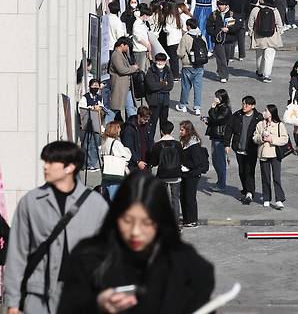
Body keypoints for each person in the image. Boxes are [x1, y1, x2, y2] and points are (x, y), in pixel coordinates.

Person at [56, 171, 214, 314]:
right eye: (127, 220)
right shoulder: (88, 258)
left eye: (147, 222)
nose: (135, 232)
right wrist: (97, 304)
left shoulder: (188, 266)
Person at [4, 141, 108, 314]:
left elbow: (107, 255)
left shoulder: (95, 205)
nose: (45, 167)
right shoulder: (31, 202)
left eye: (51, 162)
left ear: (69, 167)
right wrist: (12, 301)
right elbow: (17, 254)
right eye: (45, 161)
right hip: (38, 296)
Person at [224, 96, 264, 205]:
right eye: (243, 104)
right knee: (241, 171)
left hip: (251, 150)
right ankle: (246, 189)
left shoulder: (258, 117)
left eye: (247, 104)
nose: (244, 106)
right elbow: (229, 129)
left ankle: (250, 193)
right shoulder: (237, 115)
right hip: (239, 148)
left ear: (253, 106)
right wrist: (227, 144)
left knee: (249, 171)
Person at [253, 104, 289, 209]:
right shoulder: (260, 124)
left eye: (266, 111)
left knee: (276, 177)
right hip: (263, 153)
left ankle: (279, 199)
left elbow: (284, 139)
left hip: (275, 154)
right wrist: (262, 138)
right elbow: (254, 138)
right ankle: (266, 198)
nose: (264, 112)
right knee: (265, 177)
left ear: (271, 113)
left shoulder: (279, 125)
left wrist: (272, 139)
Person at [149, 120, 184, 224]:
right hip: (176, 175)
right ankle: (176, 224)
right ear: (172, 130)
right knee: (175, 199)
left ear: (161, 131)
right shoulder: (177, 144)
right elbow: (182, 159)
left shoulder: (157, 145)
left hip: (162, 175)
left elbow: (154, 163)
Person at [248, 0, 284, 83]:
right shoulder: (274, 10)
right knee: (269, 57)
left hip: (258, 36)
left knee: (259, 55)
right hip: (272, 36)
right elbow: (279, 24)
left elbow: (250, 23)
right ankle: (266, 75)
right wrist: (278, 33)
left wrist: (251, 33)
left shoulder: (255, 10)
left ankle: (260, 72)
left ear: (262, 0)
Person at [179, 120, 208, 228]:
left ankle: (192, 220)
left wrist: (185, 165)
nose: (180, 131)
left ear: (188, 130)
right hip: (185, 173)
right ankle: (187, 219)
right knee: (183, 196)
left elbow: (196, 161)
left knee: (190, 197)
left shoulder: (193, 143)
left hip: (192, 174)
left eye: (182, 129)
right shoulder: (184, 140)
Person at [207, 0, 243, 82]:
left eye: (222, 5)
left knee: (226, 58)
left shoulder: (231, 14)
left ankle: (221, 70)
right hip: (218, 40)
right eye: (219, 4)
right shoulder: (214, 14)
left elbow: (238, 26)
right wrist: (216, 32)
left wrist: (229, 30)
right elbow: (208, 27)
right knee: (221, 58)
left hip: (228, 39)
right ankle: (224, 76)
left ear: (226, 5)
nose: (220, 6)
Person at [176, 18, 206, 116]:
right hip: (200, 66)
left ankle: (183, 105)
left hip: (187, 65)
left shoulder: (186, 37)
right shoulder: (202, 35)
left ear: (188, 26)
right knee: (198, 88)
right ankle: (197, 108)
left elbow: (180, 52)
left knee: (185, 87)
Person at [206, 89, 232, 192]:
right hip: (215, 136)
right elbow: (214, 120)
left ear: (222, 98)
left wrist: (212, 109)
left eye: (217, 97)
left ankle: (222, 184)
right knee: (215, 161)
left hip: (220, 138)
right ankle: (220, 181)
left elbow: (217, 119)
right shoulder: (219, 107)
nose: (215, 99)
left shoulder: (225, 109)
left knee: (220, 162)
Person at [145, 53, 174, 140]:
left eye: (162, 61)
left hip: (165, 102)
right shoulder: (151, 71)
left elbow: (170, 86)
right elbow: (151, 86)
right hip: (154, 101)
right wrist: (163, 84)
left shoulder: (168, 71)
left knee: (164, 123)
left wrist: (159, 86)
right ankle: (150, 141)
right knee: (152, 123)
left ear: (165, 61)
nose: (160, 62)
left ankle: (164, 140)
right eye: (158, 60)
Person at [109, 37, 139, 122]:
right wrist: (134, 68)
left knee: (130, 108)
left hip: (126, 87)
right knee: (114, 109)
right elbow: (121, 70)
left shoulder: (122, 54)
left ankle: (133, 126)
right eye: (127, 46)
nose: (128, 48)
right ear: (122, 45)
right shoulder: (116, 55)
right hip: (120, 86)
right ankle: (106, 127)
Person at [100, 121, 132, 200]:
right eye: (119, 128)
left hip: (106, 171)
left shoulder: (105, 141)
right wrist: (127, 149)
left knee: (106, 195)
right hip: (116, 173)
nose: (120, 130)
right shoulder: (116, 143)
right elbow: (126, 156)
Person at [79, 78, 104, 171]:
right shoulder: (85, 97)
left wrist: (100, 108)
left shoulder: (99, 97)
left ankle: (93, 163)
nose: (95, 87)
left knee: (95, 144)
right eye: (93, 85)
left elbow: (102, 107)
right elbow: (81, 109)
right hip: (87, 124)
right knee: (87, 144)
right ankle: (86, 164)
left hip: (97, 123)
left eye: (97, 86)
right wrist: (93, 107)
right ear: (89, 86)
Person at [131, 4, 152, 72]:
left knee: (145, 68)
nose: (149, 18)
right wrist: (147, 45)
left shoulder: (143, 23)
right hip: (139, 49)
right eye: (148, 16)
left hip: (143, 49)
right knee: (140, 69)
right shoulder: (137, 24)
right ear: (144, 15)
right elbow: (138, 38)